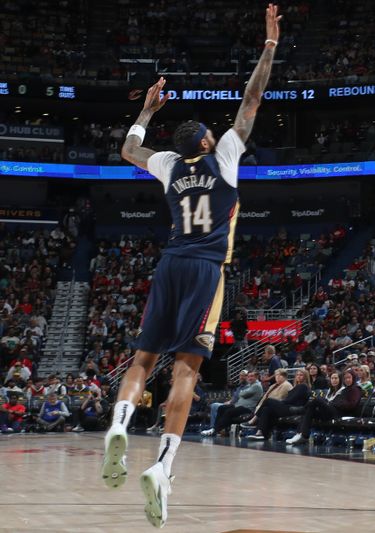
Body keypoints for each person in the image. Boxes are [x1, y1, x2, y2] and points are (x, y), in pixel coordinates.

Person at [100, 6, 282, 527]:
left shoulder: (168, 165)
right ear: (206, 140)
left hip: (169, 263)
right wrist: (268, 46)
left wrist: (148, 110)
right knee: (186, 368)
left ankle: (120, 421)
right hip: (205, 270)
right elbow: (251, 100)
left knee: (141, 358)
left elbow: (129, 147)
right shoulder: (224, 154)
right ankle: (162, 465)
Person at [286, 370, 361, 444]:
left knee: (316, 400)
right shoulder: (345, 390)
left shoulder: (355, 389)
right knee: (309, 411)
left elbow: (352, 405)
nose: (347, 380)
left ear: (353, 378)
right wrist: (334, 403)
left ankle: (301, 411)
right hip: (333, 411)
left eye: (349, 378)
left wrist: (336, 403)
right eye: (345, 378)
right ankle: (301, 434)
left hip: (340, 413)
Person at [246, 369, 310, 440]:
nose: (298, 376)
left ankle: (253, 420)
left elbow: (291, 400)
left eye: (301, 375)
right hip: (288, 407)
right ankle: (260, 433)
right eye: (297, 375)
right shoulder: (296, 386)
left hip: (294, 409)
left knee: (269, 401)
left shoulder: (303, 386)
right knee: (266, 409)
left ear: (305, 377)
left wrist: (278, 402)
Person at [201, 371, 264, 437]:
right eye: (248, 376)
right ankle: (216, 429)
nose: (249, 378)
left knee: (229, 412)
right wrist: (243, 392)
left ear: (256, 377)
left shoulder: (256, 386)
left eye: (252, 376)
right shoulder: (251, 385)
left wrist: (242, 392)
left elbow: (241, 393)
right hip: (240, 406)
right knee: (221, 408)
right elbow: (241, 394)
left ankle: (215, 430)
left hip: (248, 408)